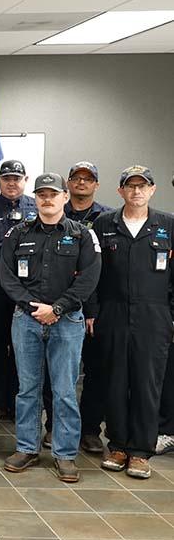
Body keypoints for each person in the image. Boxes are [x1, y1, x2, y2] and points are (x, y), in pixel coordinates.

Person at [0, 173, 100, 483]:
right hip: (26, 320)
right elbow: (7, 277)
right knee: (27, 389)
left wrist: (56, 308)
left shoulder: (83, 235)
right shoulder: (18, 233)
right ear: (36, 198)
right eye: (41, 194)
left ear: (64, 197)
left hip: (66, 321)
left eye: (53, 194)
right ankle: (27, 448)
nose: (47, 199)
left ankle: (65, 454)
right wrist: (35, 308)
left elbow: (88, 279)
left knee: (65, 391)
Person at [88, 166, 173, 479]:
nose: (136, 192)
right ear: (120, 190)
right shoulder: (104, 224)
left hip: (155, 315)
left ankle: (140, 451)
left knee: (147, 383)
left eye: (143, 186)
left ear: (152, 190)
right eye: (130, 186)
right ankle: (119, 444)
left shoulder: (168, 225)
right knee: (115, 380)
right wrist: (92, 311)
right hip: (112, 312)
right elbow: (92, 273)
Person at [0, 159, 37, 421]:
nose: (12, 183)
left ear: (25, 180)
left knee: (24, 347)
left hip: (29, 289)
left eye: (17, 178)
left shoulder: (37, 208)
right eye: (7, 178)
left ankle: (18, 402)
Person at [60, 161, 111, 453]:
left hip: (95, 308)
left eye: (88, 179)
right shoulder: (55, 213)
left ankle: (90, 430)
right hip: (58, 306)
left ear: (96, 185)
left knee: (96, 370)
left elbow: (98, 269)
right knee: (57, 374)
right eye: (76, 178)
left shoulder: (106, 219)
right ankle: (55, 428)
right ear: (68, 183)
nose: (81, 182)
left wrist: (93, 308)